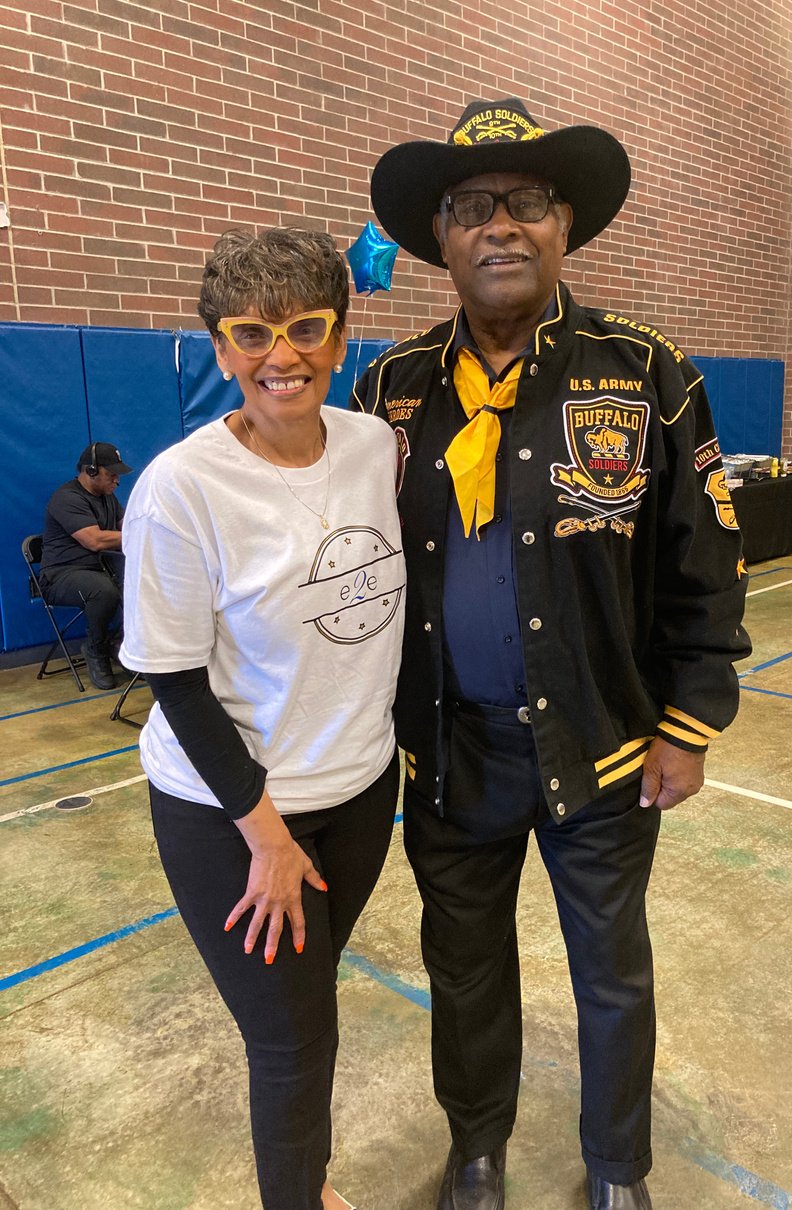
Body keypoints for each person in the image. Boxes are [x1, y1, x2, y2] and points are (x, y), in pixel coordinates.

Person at [354, 98, 752, 1210]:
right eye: (471, 206)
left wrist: (690, 723)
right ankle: (476, 1150)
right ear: (440, 237)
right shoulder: (388, 390)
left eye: (526, 201)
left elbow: (708, 561)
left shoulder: (646, 371)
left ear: (563, 223)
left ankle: (617, 1169)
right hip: (449, 751)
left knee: (611, 975)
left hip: (604, 743)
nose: (500, 224)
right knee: (464, 970)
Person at [120, 227, 406, 1210]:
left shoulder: (374, 447)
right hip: (231, 814)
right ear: (220, 347)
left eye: (305, 328)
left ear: (340, 336)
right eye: (250, 333)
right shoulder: (181, 489)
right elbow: (174, 680)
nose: (280, 356)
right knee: (292, 1039)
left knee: (309, 1004)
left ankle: (307, 1184)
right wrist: (267, 836)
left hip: (359, 790)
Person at [40, 441, 132, 689]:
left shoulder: (108, 497)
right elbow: (94, 540)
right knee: (103, 591)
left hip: (100, 571)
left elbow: (128, 525)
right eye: (111, 474)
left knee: (142, 584)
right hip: (61, 576)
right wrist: (139, 534)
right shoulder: (67, 498)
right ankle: (95, 649)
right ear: (90, 471)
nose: (117, 480)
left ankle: (121, 645)